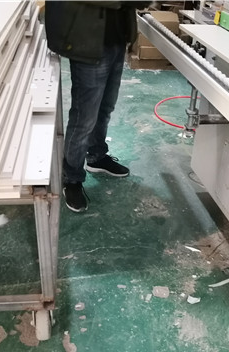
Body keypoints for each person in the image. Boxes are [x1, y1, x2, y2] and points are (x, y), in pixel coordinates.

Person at [45, 1, 150, 212]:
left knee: (105, 108)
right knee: (84, 118)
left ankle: (96, 156)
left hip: (116, 39)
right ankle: (72, 178)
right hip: (87, 41)